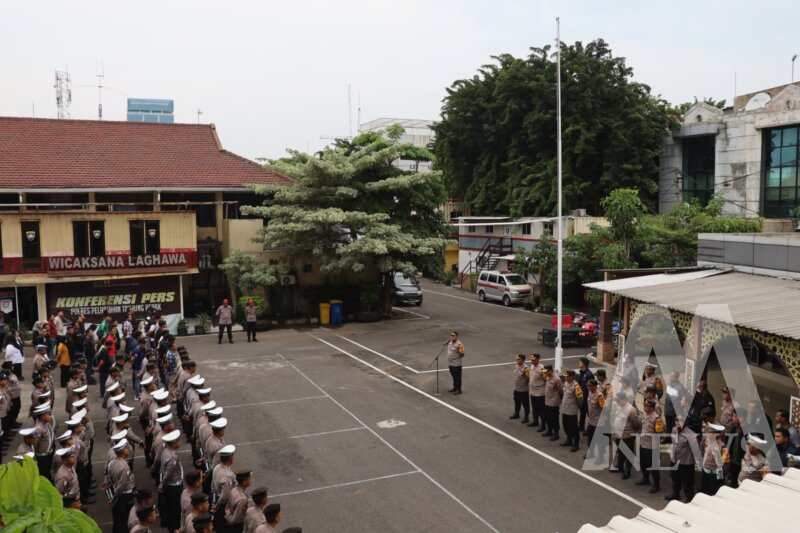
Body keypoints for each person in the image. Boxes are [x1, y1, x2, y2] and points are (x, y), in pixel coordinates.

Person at [666, 417, 698, 502]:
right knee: (675, 478)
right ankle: (675, 494)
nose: (678, 423)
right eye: (676, 420)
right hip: (675, 459)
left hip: (686, 461)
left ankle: (689, 498)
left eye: (680, 421)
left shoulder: (690, 434)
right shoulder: (674, 430)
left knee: (687, 481)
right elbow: (673, 443)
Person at [108, 438, 136, 533]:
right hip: (124, 496)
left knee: (117, 518)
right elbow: (122, 485)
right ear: (123, 452)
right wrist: (115, 497)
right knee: (124, 519)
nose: (128, 450)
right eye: (126, 448)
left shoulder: (112, 463)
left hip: (116, 492)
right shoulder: (125, 466)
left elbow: (110, 479)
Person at [159, 429, 184, 533]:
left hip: (170, 485)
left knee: (171, 509)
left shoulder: (165, 451)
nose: (180, 442)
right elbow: (168, 474)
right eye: (178, 441)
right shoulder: (173, 457)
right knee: (175, 510)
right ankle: (174, 529)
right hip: (174, 486)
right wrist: (162, 485)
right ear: (174, 443)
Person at [700, 422, 726, 495]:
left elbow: (722, 464)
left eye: (710, 432)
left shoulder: (722, 446)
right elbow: (702, 450)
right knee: (704, 489)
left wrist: (720, 478)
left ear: (716, 434)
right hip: (705, 470)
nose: (707, 433)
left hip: (715, 473)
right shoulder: (706, 441)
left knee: (715, 490)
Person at [560, 369, 581, 451]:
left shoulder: (576, 386)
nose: (566, 378)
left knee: (574, 428)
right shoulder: (565, 383)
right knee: (566, 426)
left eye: (568, 376)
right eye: (566, 376)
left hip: (572, 410)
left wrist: (577, 408)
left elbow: (580, 399)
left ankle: (576, 444)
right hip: (565, 409)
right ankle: (569, 440)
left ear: (572, 377)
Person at [542, 365, 562, 441]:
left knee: (554, 419)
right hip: (547, 401)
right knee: (548, 417)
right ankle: (549, 431)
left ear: (550, 371)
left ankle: (556, 434)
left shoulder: (557, 379)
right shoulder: (547, 377)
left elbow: (560, 391)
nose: (545, 373)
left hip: (554, 402)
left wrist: (559, 400)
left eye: (546, 372)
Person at [527, 353, 545, 430]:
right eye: (531, 359)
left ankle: (543, 425)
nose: (532, 361)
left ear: (538, 359)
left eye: (533, 360)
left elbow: (546, 379)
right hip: (532, 391)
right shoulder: (531, 366)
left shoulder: (542, 368)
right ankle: (535, 421)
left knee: (541, 409)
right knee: (534, 408)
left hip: (540, 392)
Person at [509, 354, 529, 423]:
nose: (517, 360)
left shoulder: (526, 368)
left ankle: (526, 417)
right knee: (517, 402)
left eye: (518, 359)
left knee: (525, 404)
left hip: (523, 389)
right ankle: (516, 414)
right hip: (517, 388)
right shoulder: (517, 366)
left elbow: (529, 378)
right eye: (516, 359)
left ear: (523, 360)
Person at [576, 356, 594, 432]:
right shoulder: (581, 373)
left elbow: (592, 387)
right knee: (582, 413)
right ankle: (581, 427)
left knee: (590, 415)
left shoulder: (589, 374)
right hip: (582, 398)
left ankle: (591, 429)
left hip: (588, 398)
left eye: (580, 362)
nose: (578, 363)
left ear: (584, 364)